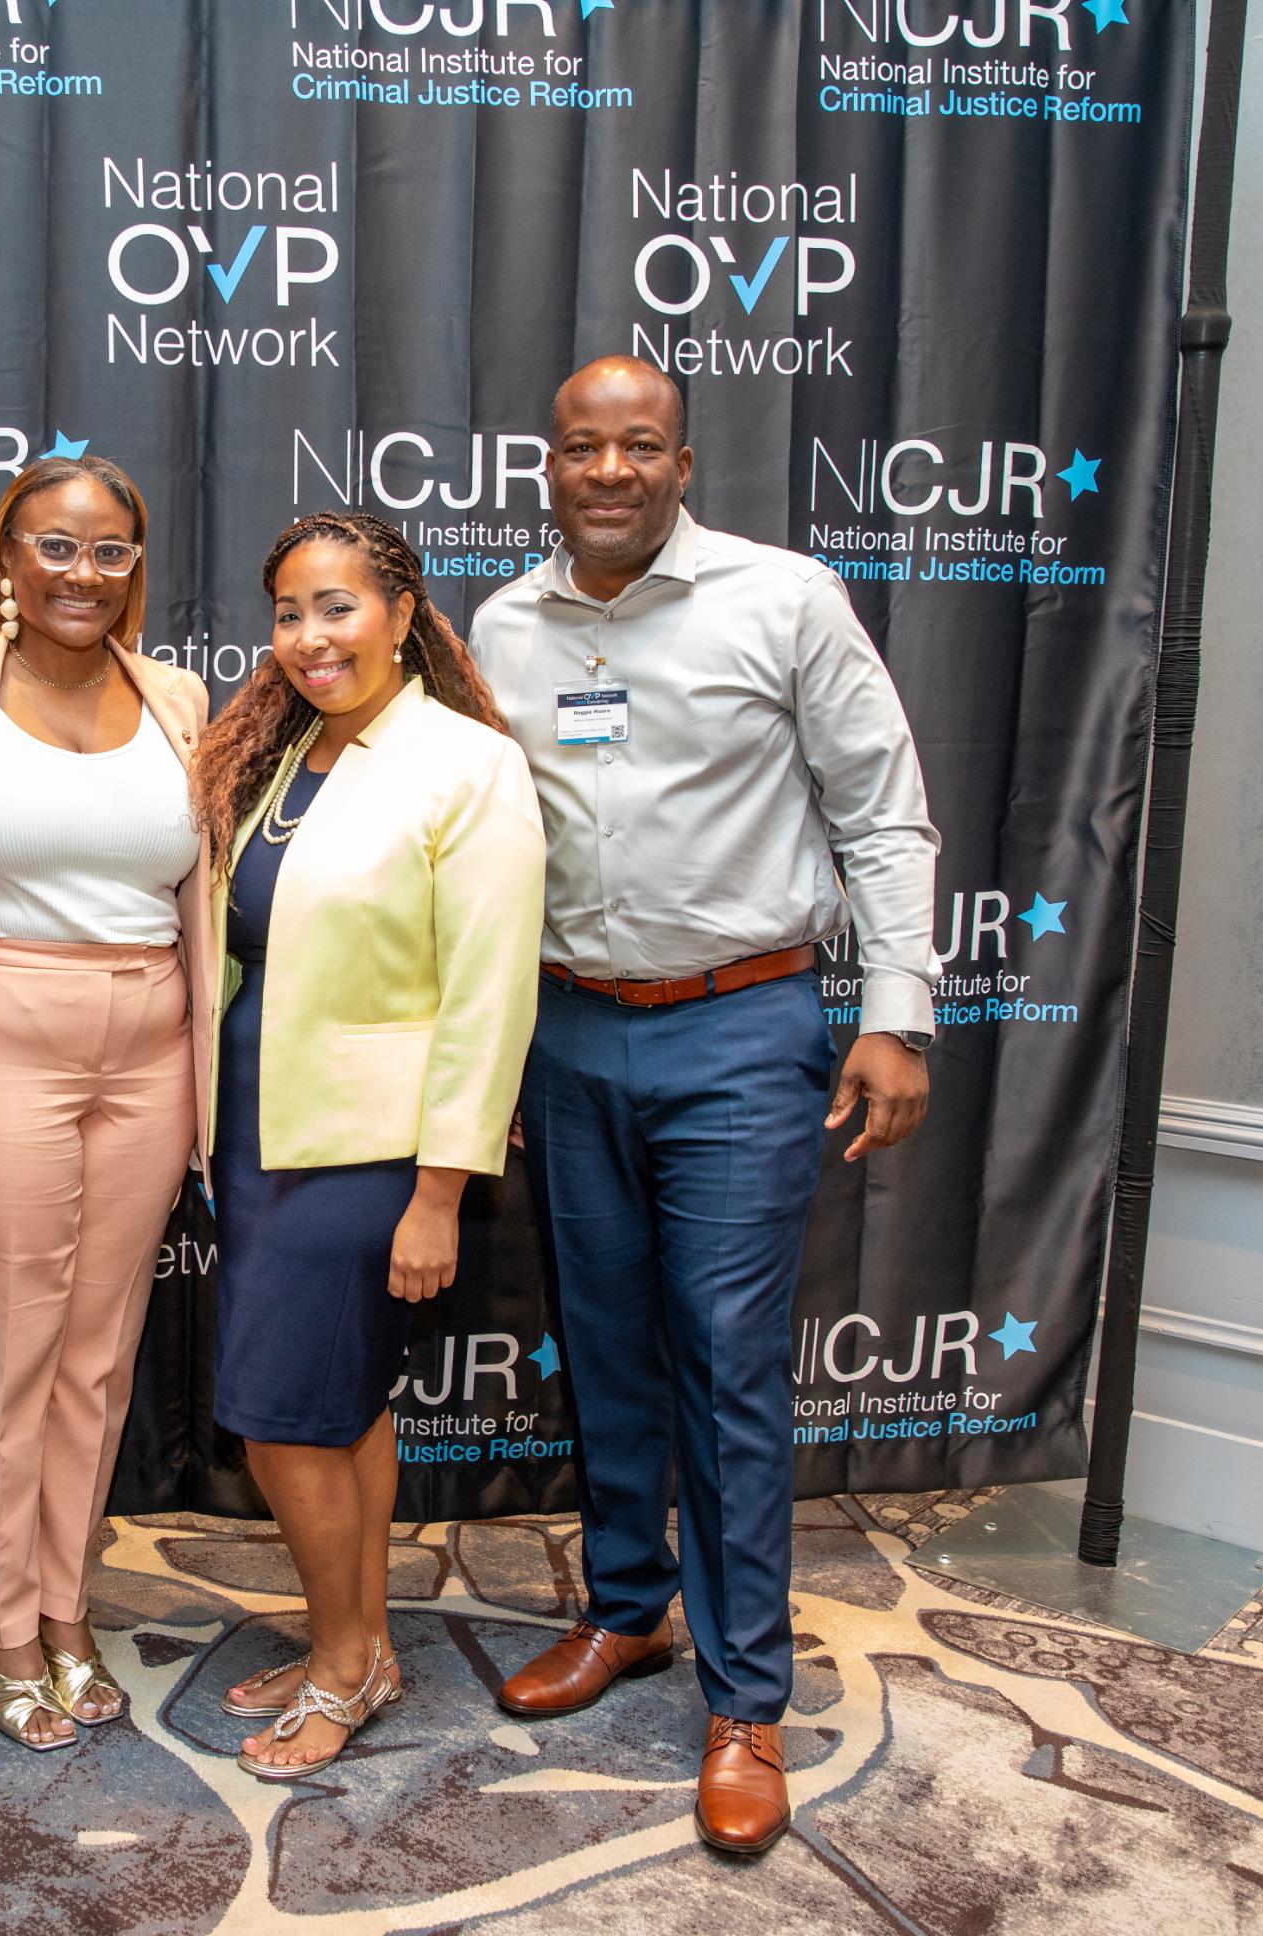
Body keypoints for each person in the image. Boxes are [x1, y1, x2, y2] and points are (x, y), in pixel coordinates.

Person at [471, 356, 940, 1857]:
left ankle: (744, 1697)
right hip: (566, 1029)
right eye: (579, 447)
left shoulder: (782, 599)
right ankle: (628, 1611)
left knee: (726, 1362)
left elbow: (881, 815)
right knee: (604, 1343)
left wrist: (896, 1014)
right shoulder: (503, 624)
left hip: (738, 1028)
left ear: (682, 464)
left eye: (637, 446)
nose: (606, 471)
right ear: (548, 466)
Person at [193, 510, 545, 1781]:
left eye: (336, 606)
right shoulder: (290, 753)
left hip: (366, 1150)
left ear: (401, 614)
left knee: (282, 1415)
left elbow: (489, 996)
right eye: (288, 613)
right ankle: (359, 1643)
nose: (308, 636)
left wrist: (437, 1191)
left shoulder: (467, 763)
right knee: (342, 1408)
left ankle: (343, 1666)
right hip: (257, 1126)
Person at [0, 456, 216, 1751]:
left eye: (109, 550)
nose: (83, 572)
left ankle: (65, 1606)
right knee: (6, 1351)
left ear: (135, 565)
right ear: (6, 557)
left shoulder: (177, 698)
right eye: (54, 546)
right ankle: (2, 1625)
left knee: (98, 1352)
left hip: (151, 1047)